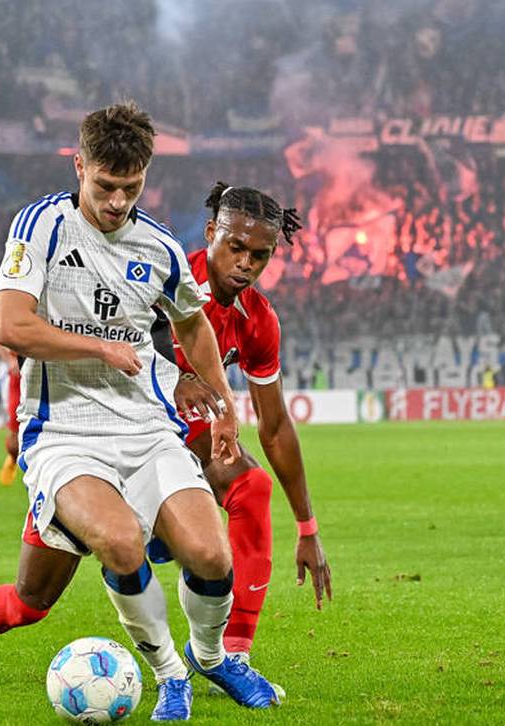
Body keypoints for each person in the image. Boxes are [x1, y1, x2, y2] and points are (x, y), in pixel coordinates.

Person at [0, 102, 279, 720]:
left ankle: (210, 658)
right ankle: (168, 675)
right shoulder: (41, 227)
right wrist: (100, 347)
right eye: (105, 186)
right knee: (98, 556)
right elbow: (9, 326)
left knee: (214, 556)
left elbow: (191, 321)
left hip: (146, 428)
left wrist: (223, 404)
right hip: (64, 432)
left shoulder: (157, 247)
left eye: (130, 188)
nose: (116, 202)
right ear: (79, 166)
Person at [142, 183, 331, 693]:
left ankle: (229, 655)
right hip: (123, 423)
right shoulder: (163, 276)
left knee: (253, 487)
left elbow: (274, 425)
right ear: (210, 233)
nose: (245, 263)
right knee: (35, 594)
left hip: (190, 430)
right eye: (235, 247)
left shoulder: (258, 319)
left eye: (260, 255)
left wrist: (307, 526)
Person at [0, 340, 22, 485]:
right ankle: (13, 458)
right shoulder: (8, 321)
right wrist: (10, 360)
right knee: (14, 440)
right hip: (16, 375)